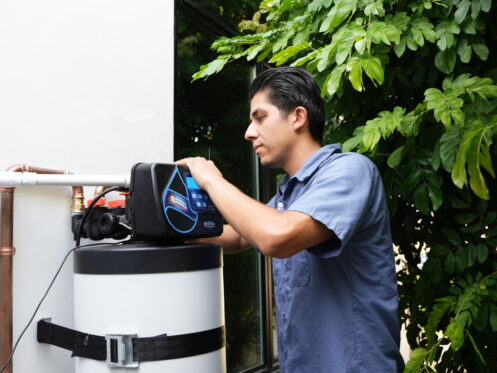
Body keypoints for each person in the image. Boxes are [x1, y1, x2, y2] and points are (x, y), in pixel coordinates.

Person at [177, 66, 404, 372]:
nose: (249, 132)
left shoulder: (350, 171)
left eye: (260, 118)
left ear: (298, 117)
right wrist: (169, 225)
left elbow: (276, 236)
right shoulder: (291, 195)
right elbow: (240, 236)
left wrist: (211, 180)